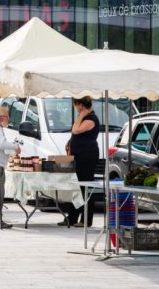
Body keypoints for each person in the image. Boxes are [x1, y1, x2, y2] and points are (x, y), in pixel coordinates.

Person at [59, 96, 101, 227]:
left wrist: (81, 115)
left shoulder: (91, 119)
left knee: (85, 186)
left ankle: (86, 219)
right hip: (78, 155)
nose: (75, 107)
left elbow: (76, 130)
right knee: (76, 186)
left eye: (75, 105)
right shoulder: (84, 118)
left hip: (87, 156)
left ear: (80, 105)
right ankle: (72, 217)